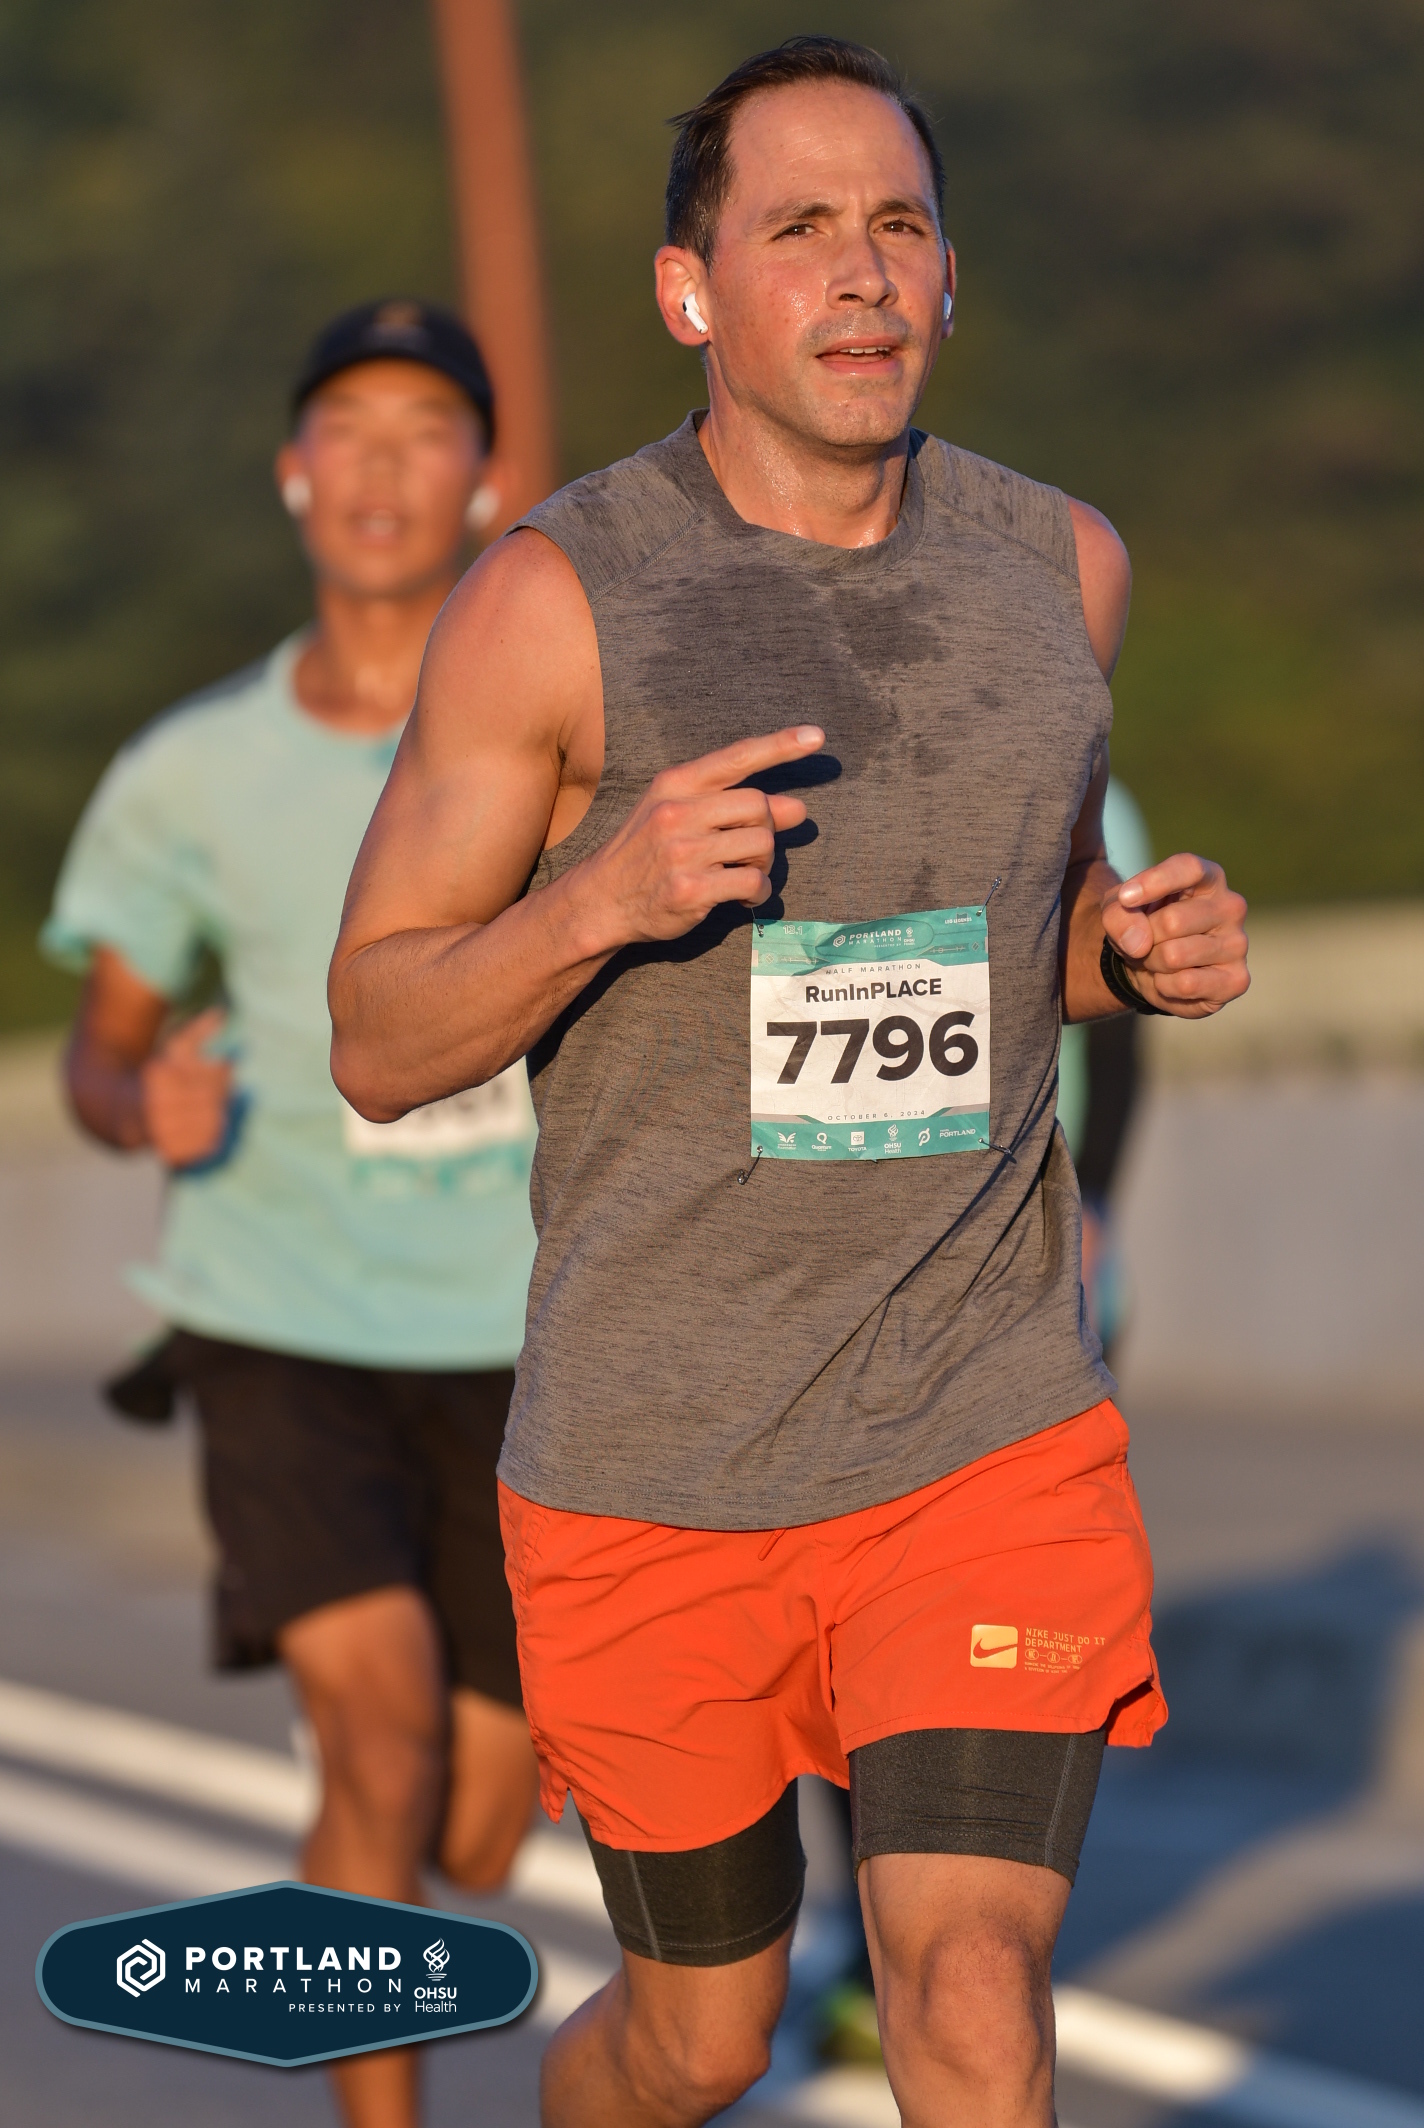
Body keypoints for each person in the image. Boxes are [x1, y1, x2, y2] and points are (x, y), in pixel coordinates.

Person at [329, 38, 1251, 2128]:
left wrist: (1129, 949)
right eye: (800, 229)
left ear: (952, 278)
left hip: (980, 1423)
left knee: (968, 1984)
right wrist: (605, 897)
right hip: (658, 1466)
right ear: (691, 291)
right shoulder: (551, 602)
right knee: (702, 2037)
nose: (860, 274)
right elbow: (377, 1035)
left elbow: (1025, 927)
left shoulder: (1061, 570)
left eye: (899, 226)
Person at [43, 300, 538, 2128]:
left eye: (426, 432)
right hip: (277, 1320)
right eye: (350, 431)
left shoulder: (560, 743)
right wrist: (138, 1102)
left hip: (525, 1333)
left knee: (481, 1824)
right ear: (292, 474)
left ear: (483, 482)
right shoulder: (189, 771)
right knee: (376, 1738)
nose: (384, 469)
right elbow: (100, 1054)